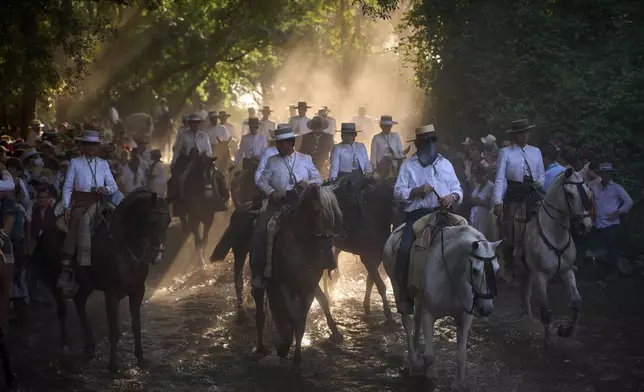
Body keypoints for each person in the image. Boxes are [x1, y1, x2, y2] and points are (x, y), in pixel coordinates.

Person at [393, 124, 462, 313]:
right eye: (426, 141)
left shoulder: (445, 164)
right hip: (418, 215)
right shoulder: (408, 165)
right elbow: (398, 192)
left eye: (433, 140)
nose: (430, 144)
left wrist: (453, 196)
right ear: (418, 144)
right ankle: (404, 296)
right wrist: (415, 191)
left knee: (468, 241)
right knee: (405, 249)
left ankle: (466, 290)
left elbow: (457, 187)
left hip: (443, 213)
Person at [252, 126, 322, 288]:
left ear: (292, 143)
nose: (281, 146)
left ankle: (325, 262)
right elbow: (261, 181)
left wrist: (308, 183)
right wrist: (272, 192)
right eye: (279, 143)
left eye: (285, 142)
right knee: (261, 229)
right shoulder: (272, 161)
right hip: (278, 203)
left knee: (322, 225)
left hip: (302, 204)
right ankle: (258, 272)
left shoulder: (306, 159)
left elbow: (319, 178)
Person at [58, 130, 118, 294]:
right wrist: (66, 206)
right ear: (83, 146)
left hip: (100, 200)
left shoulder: (104, 164)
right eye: (88, 144)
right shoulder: (75, 162)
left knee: (117, 220)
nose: (92, 148)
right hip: (82, 201)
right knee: (79, 219)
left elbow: (114, 186)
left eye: (94, 145)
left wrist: (105, 188)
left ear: (98, 147)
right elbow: (68, 186)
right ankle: (69, 263)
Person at [492, 119, 545, 281]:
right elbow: (500, 178)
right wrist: (497, 201)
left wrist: (539, 183)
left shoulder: (536, 151)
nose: (525, 135)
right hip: (515, 191)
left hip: (533, 190)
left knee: (550, 215)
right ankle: (509, 263)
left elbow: (542, 174)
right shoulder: (505, 152)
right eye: (522, 133)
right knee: (509, 225)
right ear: (515, 135)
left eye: (527, 132)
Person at [587, 163, 633, 281]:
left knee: (612, 249)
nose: (605, 175)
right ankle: (601, 273)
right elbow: (583, 184)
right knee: (598, 250)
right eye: (603, 173)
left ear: (610, 174)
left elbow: (629, 202)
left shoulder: (616, 188)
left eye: (607, 173)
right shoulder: (595, 186)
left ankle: (615, 273)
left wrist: (617, 213)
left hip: (611, 224)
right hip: (597, 223)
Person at [329, 123, 370, 232]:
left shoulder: (361, 146)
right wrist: (333, 179)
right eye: (343, 134)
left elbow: (366, 163)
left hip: (359, 175)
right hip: (344, 177)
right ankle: (359, 217)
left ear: (353, 135)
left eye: (347, 134)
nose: (344, 136)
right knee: (352, 189)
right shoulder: (337, 148)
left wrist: (368, 172)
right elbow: (334, 166)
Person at [168, 114, 212, 200]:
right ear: (190, 124)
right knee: (176, 175)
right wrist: (173, 162)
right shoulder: (184, 135)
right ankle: (173, 194)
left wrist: (205, 155)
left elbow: (209, 150)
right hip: (186, 159)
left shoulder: (204, 136)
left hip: (201, 160)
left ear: (199, 124)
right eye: (193, 123)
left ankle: (214, 195)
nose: (195, 125)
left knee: (211, 174)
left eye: (197, 123)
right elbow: (178, 150)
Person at [469, 165, 494, 233]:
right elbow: (471, 199)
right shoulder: (478, 186)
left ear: (485, 175)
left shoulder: (491, 187)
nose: (477, 178)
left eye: (478, 176)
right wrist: (478, 201)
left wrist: (480, 201)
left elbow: (491, 204)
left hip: (484, 216)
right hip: (474, 215)